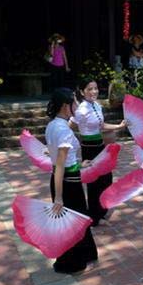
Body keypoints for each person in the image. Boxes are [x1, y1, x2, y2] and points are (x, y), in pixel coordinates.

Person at [45, 88, 98, 274]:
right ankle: (72, 262)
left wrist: (80, 164)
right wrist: (59, 197)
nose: (77, 105)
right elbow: (60, 165)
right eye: (74, 102)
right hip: (67, 183)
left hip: (64, 178)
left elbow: (61, 161)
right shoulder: (62, 130)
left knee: (75, 220)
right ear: (66, 106)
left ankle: (83, 255)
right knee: (72, 223)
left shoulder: (53, 125)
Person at [70, 78, 127, 227]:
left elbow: (101, 126)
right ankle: (94, 217)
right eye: (90, 89)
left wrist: (118, 126)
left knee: (106, 179)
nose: (94, 92)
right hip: (89, 148)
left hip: (100, 145)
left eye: (95, 88)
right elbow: (70, 126)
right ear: (83, 92)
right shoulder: (81, 110)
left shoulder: (97, 105)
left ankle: (101, 210)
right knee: (94, 183)